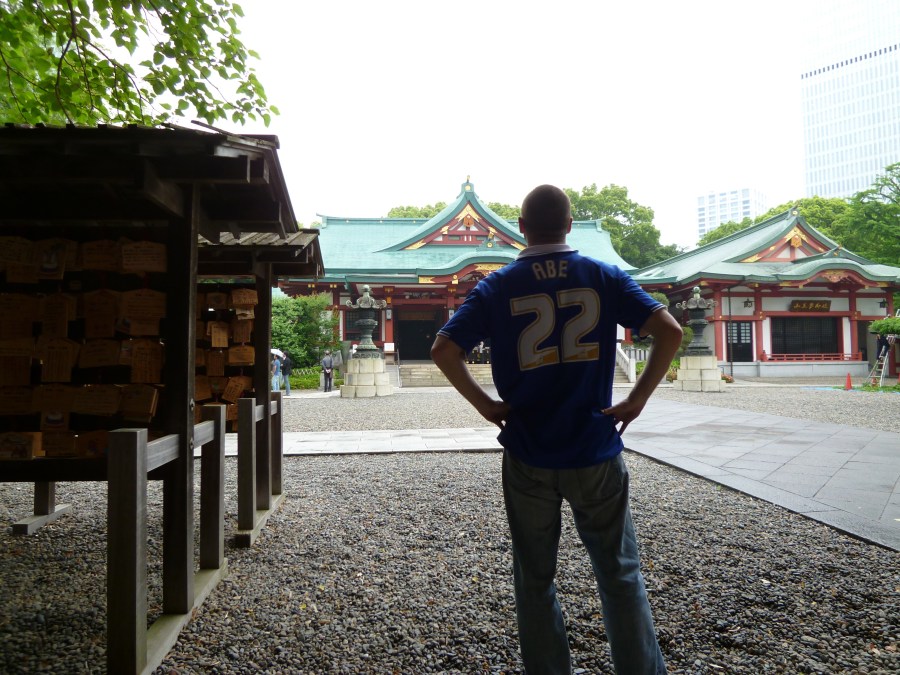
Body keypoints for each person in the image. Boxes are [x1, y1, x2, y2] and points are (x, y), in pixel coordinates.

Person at [431, 184, 682, 675]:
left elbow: (444, 348)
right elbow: (669, 331)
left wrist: (486, 406)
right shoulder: (604, 276)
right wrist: (637, 399)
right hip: (595, 445)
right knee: (620, 573)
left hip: (528, 447)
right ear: (569, 225)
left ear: (521, 228)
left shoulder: (497, 286)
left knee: (535, 578)